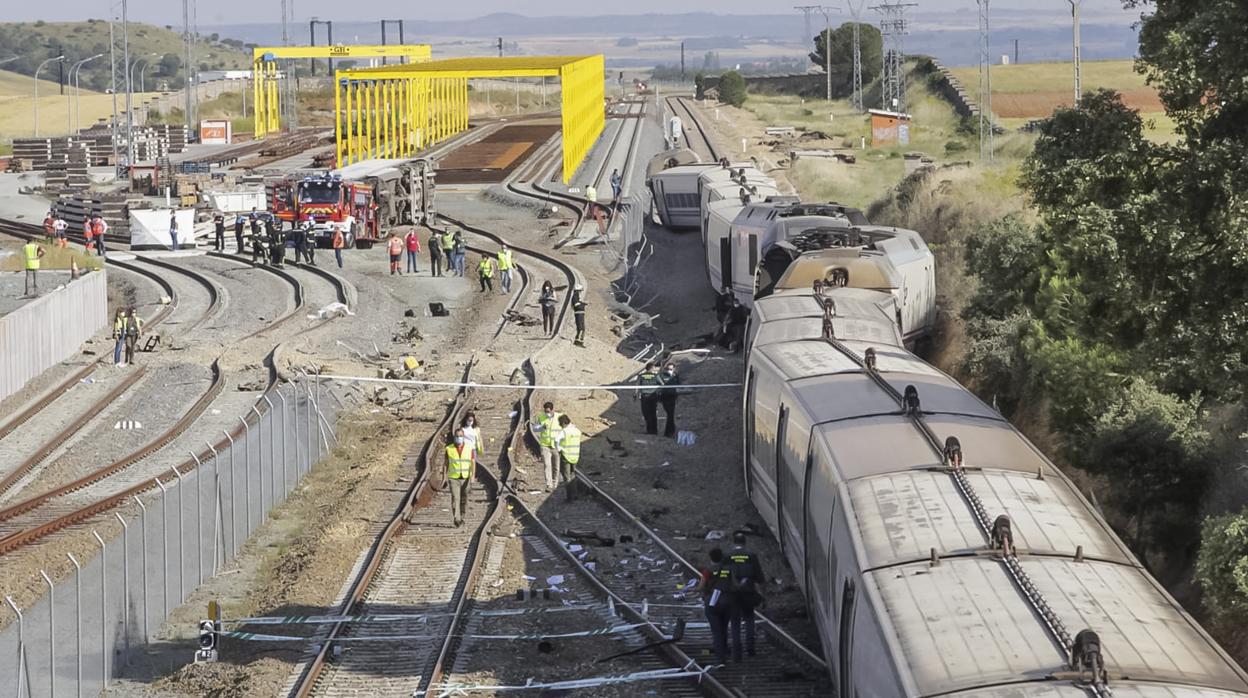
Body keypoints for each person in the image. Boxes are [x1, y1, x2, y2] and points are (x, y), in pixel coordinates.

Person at [727, 531, 766, 660]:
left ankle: (737, 653)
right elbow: (759, 577)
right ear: (744, 542)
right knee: (749, 619)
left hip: (732, 594)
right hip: (748, 593)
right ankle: (750, 649)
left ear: (734, 542)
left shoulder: (728, 555)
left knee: (735, 622)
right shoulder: (751, 556)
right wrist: (763, 595)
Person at [696, 547, 732, 665]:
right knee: (724, 627)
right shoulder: (728, 569)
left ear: (710, 557)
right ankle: (725, 648)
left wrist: (695, 588)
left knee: (716, 630)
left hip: (712, 602)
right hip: (726, 601)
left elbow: (701, 587)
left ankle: (720, 658)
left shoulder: (707, 571)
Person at [445, 427, 475, 527]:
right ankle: (457, 519)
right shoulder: (449, 449)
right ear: (454, 437)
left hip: (466, 477)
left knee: (464, 498)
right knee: (455, 498)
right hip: (453, 478)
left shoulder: (469, 448)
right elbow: (446, 463)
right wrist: (444, 476)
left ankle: (462, 515)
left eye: (461, 436)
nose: (459, 438)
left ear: (463, 437)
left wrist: (473, 476)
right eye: (457, 436)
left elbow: (472, 462)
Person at [532, 401, 563, 491]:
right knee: (547, 465)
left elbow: (565, 429)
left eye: (549, 411)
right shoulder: (541, 417)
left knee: (556, 466)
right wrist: (542, 427)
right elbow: (535, 428)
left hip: (556, 446)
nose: (547, 413)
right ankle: (549, 485)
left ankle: (555, 483)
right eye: (546, 412)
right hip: (545, 445)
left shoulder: (559, 417)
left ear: (553, 410)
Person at [556, 414, 581, 500]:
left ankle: (569, 496)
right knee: (573, 475)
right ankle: (575, 494)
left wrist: (559, 449)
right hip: (575, 456)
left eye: (560, 424)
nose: (560, 426)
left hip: (566, 455)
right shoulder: (577, 431)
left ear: (563, 423)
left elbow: (557, 440)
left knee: (566, 477)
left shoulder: (564, 431)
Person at [635, 362, 662, 435]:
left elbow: (637, 386)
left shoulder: (641, 376)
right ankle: (654, 431)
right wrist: (659, 393)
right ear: (652, 368)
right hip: (653, 397)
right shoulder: (656, 376)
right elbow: (662, 385)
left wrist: (635, 395)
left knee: (646, 413)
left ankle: (649, 430)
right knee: (653, 413)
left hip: (645, 397)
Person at [658, 362, 680, 438]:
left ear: (674, 369)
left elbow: (678, 385)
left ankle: (670, 431)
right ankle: (669, 431)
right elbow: (659, 384)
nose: (669, 370)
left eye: (671, 369)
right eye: (668, 369)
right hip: (665, 396)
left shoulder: (676, 376)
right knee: (669, 413)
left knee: (671, 414)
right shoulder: (662, 375)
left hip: (673, 396)